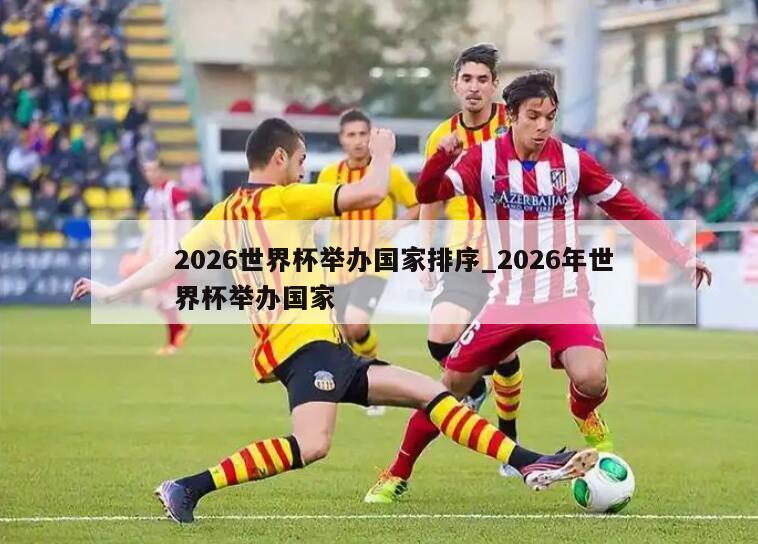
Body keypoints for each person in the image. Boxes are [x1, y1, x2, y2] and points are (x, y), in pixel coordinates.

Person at [71, 118, 598, 524]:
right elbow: (369, 193)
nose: (304, 170)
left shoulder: (226, 210)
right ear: (279, 158)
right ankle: (186, 488)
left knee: (433, 394)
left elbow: (174, 258)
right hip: (306, 347)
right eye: (301, 159)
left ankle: (528, 461)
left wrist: (114, 290)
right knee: (312, 445)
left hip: (319, 346)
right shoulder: (283, 199)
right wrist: (385, 151)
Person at [384, 70, 712, 502]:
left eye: (550, 117)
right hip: (507, 299)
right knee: (448, 389)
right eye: (533, 116)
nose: (542, 126)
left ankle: (583, 410)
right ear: (511, 116)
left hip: (564, 296)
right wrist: (439, 160)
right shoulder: (482, 159)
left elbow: (628, 207)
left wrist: (681, 255)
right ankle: (396, 473)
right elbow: (430, 193)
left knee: (591, 378)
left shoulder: (573, 162)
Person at [364, 44, 523, 504]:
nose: (474, 88)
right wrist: (426, 253)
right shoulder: (442, 136)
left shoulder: (512, 126)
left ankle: (508, 431)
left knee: (505, 351)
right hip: (462, 256)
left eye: (482, 80)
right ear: (455, 85)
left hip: (510, 259)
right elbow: (430, 198)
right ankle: (477, 388)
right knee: (440, 339)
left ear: (495, 85)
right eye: (466, 79)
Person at [317, 110, 419, 414]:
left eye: (363, 134)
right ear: (342, 139)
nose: (358, 141)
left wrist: (398, 224)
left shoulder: (389, 173)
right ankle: (359, 382)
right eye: (352, 135)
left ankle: (374, 383)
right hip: (338, 263)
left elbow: (418, 204)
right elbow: (319, 209)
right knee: (342, 333)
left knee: (356, 322)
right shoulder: (329, 175)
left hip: (376, 260)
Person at [138, 157, 193, 355]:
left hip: (173, 253)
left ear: (162, 170)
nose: (149, 174)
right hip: (158, 254)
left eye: (153, 169)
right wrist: (143, 249)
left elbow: (187, 220)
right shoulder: (150, 195)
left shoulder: (174, 191)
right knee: (150, 296)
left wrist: (185, 249)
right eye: (146, 170)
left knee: (166, 296)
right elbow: (153, 225)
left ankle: (173, 342)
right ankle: (179, 328)